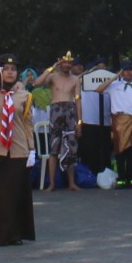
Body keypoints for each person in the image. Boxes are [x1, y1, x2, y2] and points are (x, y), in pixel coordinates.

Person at [0, 59, 38, 245]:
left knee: (15, 192)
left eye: (13, 69)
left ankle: (14, 233)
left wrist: (32, 149)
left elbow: (27, 122)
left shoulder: (23, 95)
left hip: (17, 148)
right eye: (5, 69)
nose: (9, 73)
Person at [44, 55, 82, 190]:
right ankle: (52, 183)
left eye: (69, 63)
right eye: (64, 63)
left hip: (70, 112)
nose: (66, 65)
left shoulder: (75, 79)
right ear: (60, 64)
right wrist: (52, 68)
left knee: (71, 148)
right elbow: (37, 82)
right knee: (54, 149)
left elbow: (78, 99)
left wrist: (79, 121)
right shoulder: (53, 77)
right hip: (56, 111)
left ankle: (72, 183)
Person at [104, 64, 132, 187]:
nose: (128, 73)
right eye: (126, 71)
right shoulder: (114, 86)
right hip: (119, 121)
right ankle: (121, 178)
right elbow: (99, 89)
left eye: (130, 71)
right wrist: (114, 77)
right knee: (120, 151)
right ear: (122, 72)